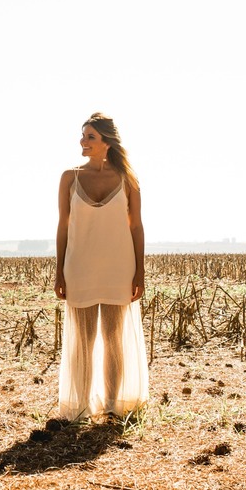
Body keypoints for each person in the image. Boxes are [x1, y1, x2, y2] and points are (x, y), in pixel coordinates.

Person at [54, 112, 149, 421]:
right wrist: (59, 270)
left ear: (106, 142)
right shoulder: (70, 177)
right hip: (78, 267)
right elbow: (63, 227)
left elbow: (136, 227)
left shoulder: (128, 180)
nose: (83, 141)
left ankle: (110, 405)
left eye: (90, 136)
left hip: (118, 268)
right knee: (83, 340)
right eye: (83, 135)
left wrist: (140, 272)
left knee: (112, 338)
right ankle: (80, 406)